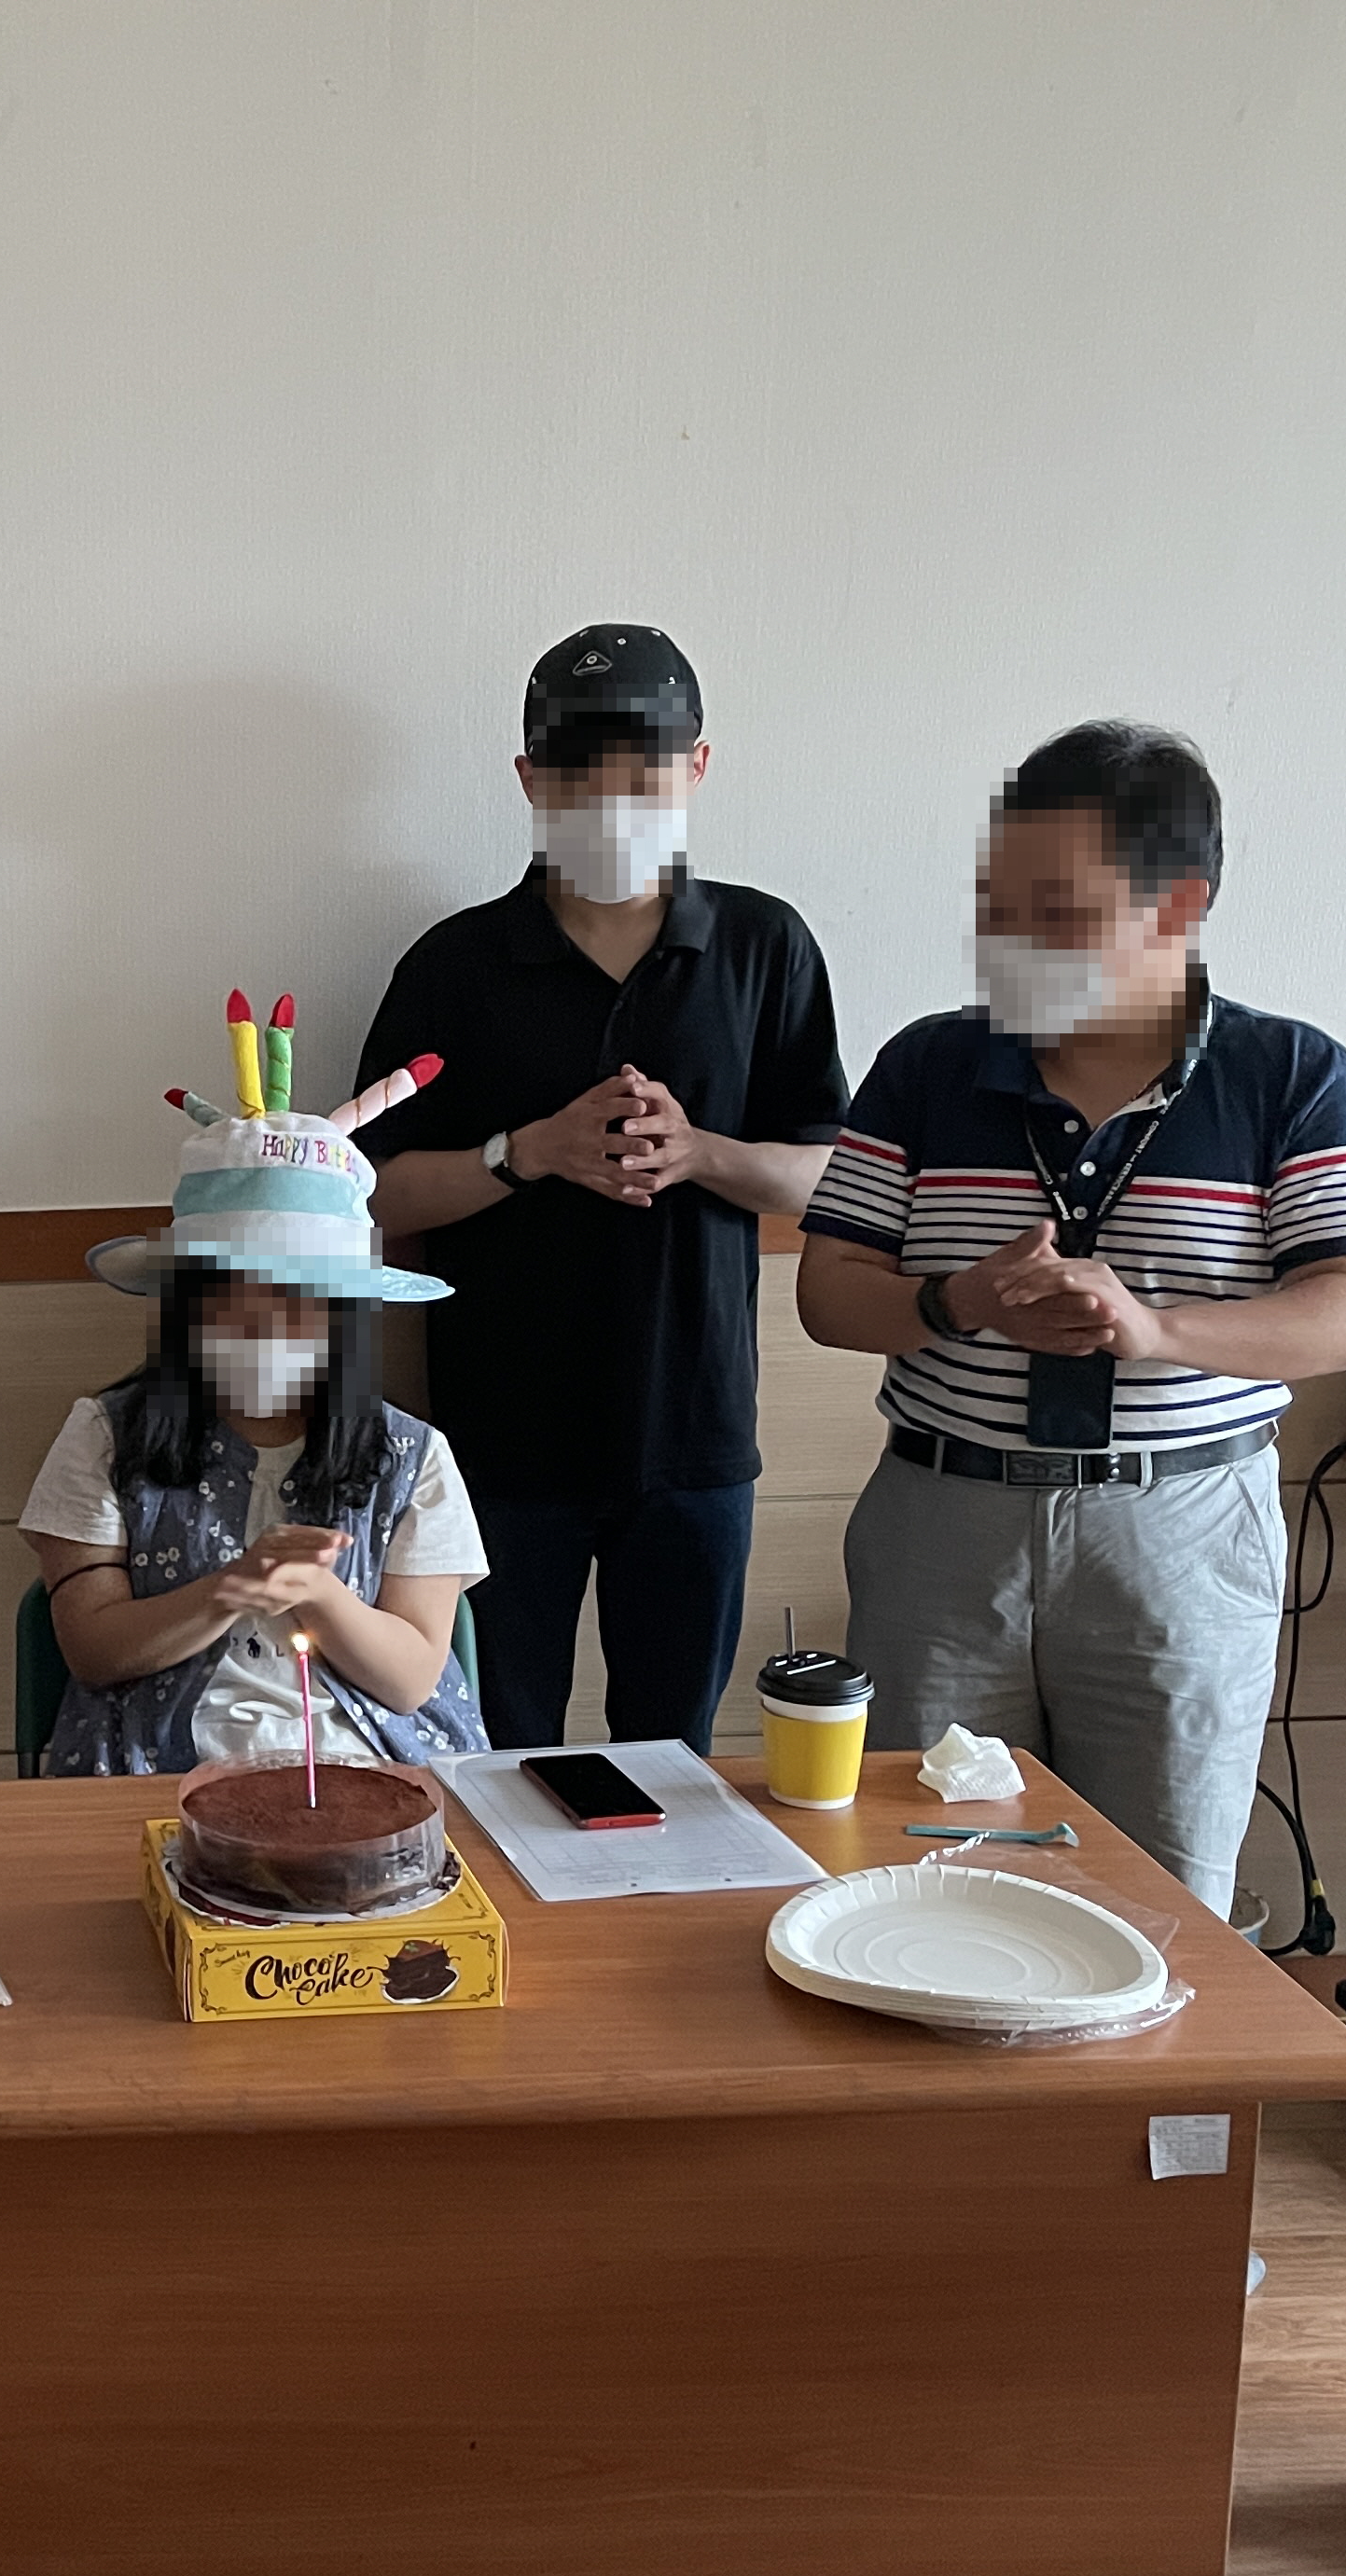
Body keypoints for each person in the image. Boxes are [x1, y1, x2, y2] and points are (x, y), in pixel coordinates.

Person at [795, 720, 1346, 1914]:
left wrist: (1157, 1331)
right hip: (942, 1522)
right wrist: (957, 1301)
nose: (1007, 940)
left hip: (1181, 1531)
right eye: (996, 905)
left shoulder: (1289, 1076)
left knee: (1165, 1901)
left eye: (1056, 911)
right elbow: (828, 1292)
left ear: (1179, 906)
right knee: (918, 1883)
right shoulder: (928, 1066)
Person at [356, 624, 844, 1753]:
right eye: (580, 775)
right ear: (531, 780)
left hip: (695, 1434)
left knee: (673, 1761)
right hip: (495, 1444)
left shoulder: (764, 947)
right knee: (490, 1752)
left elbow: (832, 1174)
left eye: (646, 773)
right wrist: (525, 1152)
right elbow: (373, 1195)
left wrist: (699, 1152)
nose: (614, 802)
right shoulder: (455, 964)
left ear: (698, 768)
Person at [21, 1020, 486, 1775]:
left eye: (301, 1301)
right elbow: (93, 1649)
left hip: (366, 1768)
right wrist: (232, 1586)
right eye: (231, 1296)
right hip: (156, 1772)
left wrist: (317, 1593)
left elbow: (409, 1681)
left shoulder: (413, 1454)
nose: (264, 1325)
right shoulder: (105, 1434)